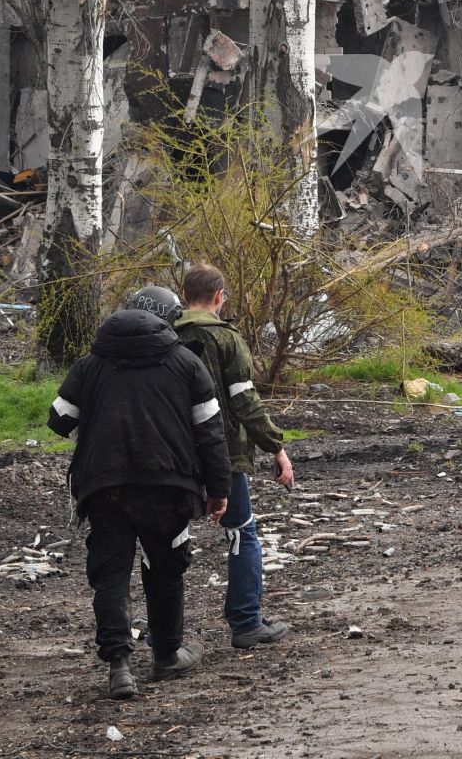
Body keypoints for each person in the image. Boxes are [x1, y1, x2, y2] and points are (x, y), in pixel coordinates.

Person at [47, 305, 232, 700]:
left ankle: (119, 665)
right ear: (168, 321)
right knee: (166, 567)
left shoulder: (90, 364)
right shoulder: (187, 363)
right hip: (168, 484)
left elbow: (59, 419)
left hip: (104, 484)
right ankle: (167, 654)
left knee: (111, 572)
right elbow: (211, 433)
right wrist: (219, 489)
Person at [168, 263, 296, 649]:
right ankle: (245, 622)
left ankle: (167, 639)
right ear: (220, 296)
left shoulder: (165, 337)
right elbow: (244, 402)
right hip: (222, 454)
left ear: (184, 294)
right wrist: (276, 446)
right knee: (242, 534)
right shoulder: (227, 340)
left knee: (168, 543)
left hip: (173, 456)